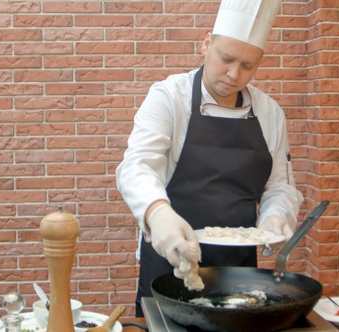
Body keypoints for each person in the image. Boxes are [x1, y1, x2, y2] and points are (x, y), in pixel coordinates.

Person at [115, 0, 304, 317]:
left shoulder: (270, 112)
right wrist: (159, 214)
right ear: (206, 43)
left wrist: (276, 217)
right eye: (226, 59)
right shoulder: (169, 97)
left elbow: (280, 187)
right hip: (169, 260)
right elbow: (137, 165)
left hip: (240, 272)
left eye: (248, 65)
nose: (234, 74)